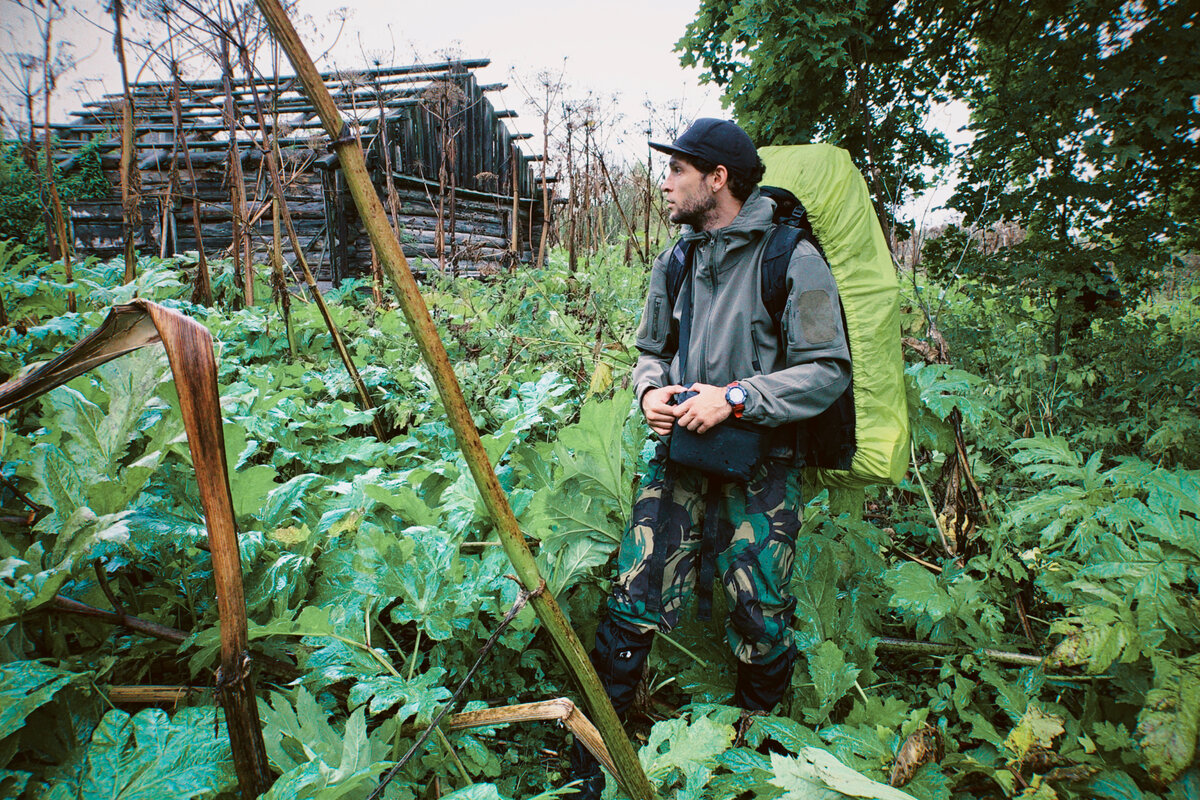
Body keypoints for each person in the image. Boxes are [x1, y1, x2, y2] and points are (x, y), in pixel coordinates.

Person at [567, 118, 852, 798]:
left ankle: (757, 767)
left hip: (762, 464)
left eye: (677, 171)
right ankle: (595, 762)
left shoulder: (793, 259)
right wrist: (649, 393)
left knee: (760, 611)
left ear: (717, 178)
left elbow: (828, 369)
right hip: (680, 456)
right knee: (632, 600)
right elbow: (649, 350)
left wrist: (737, 397)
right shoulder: (678, 259)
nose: (664, 183)